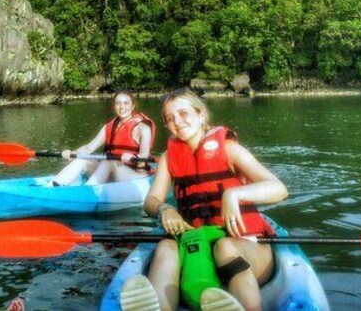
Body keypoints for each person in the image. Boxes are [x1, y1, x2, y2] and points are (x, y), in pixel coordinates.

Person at [121, 88, 288, 311]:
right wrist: (164, 209)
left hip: (244, 244)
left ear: (201, 115)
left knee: (224, 246)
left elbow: (278, 188)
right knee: (165, 248)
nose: (177, 122)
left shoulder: (228, 149)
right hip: (196, 243)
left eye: (183, 113)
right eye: (170, 118)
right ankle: (159, 307)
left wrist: (235, 194)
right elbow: (151, 200)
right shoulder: (169, 158)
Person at [52, 91, 155, 186]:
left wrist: (133, 156)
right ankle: (54, 186)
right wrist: (73, 153)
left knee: (108, 162)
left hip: (136, 176)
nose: (122, 107)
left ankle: (89, 191)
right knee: (83, 158)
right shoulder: (108, 127)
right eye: (118, 103)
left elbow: (144, 155)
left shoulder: (143, 128)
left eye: (126, 103)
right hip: (111, 171)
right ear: (114, 106)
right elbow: (89, 148)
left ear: (132, 106)